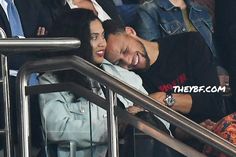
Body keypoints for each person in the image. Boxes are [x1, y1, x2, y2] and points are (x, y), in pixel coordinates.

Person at [103, 20, 226, 132]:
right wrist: (196, 131)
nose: (128, 61)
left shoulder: (188, 43)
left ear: (130, 32)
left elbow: (213, 101)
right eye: (119, 62)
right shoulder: (135, 79)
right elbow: (172, 129)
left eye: (125, 50)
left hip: (223, 126)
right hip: (193, 141)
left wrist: (165, 99)